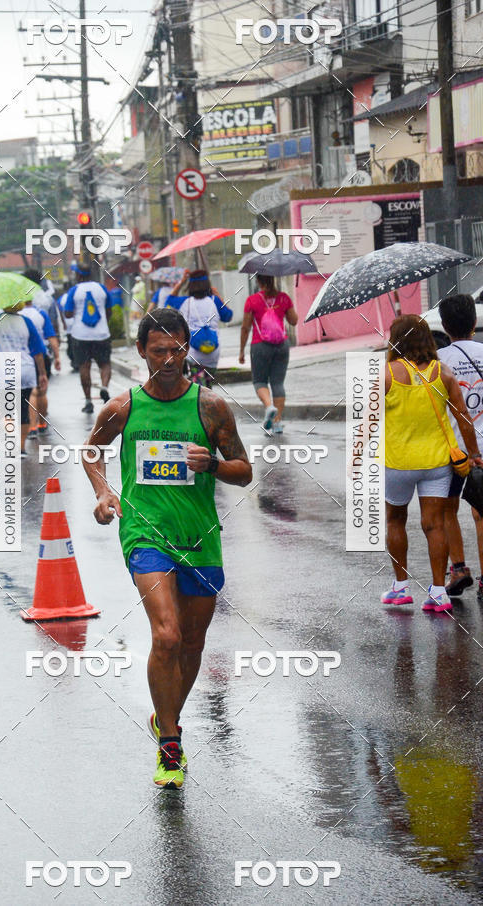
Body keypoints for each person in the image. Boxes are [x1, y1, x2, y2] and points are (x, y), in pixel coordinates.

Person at [82, 308, 252, 789]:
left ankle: (165, 718)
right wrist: (103, 492)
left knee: (193, 643)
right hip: (145, 533)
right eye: (160, 351)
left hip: (200, 536)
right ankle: (171, 743)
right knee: (168, 636)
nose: (171, 360)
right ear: (141, 352)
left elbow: (245, 470)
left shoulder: (211, 407)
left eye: (178, 350)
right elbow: (91, 451)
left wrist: (214, 466)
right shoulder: (123, 409)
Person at [382, 315, 483, 613]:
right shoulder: (444, 373)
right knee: (434, 524)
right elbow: (463, 417)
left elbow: (368, 420)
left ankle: (400, 588)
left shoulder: (384, 375)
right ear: (427, 338)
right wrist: (474, 454)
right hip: (438, 462)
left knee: (395, 520)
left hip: (398, 462)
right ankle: (439, 592)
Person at [437, 294, 483, 598]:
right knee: (482, 514)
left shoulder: (439, 361)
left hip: (454, 449)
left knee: (446, 509)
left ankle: (459, 569)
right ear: (475, 323)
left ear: (444, 326)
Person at [0, 302, 47, 456]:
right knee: (23, 410)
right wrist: (42, 373)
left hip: (4, 369)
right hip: (26, 368)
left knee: (6, 410)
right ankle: (21, 448)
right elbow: (38, 351)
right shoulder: (26, 322)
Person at [239, 274, 298, 433]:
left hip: (260, 346)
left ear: (258, 281)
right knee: (278, 383)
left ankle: (269, 406)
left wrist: (241, 351)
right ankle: (277, 422)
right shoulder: (284, 298)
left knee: (259, 381)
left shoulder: (252, 301)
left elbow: (245, 327)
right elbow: (294, 321)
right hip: (282, 344)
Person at [64, 264, 112, 414]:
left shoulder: (74, 291)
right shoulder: (102, 288)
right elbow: (109, 310)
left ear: (78, 275)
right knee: (104, 364)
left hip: (80, 335)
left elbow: (67, 313)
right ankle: (104, 387)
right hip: (101, 334)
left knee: (84, 367)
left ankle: (88, 401)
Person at [177, 270, 232, 388]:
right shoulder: (214, 300)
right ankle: (207, 403)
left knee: (200, 387)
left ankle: (202, 404)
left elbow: (168, 301)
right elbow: (228, 316)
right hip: (213, 351)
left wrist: (181, 282)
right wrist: (218, 296)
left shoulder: (185, 302)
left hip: (194, 352)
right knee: (207, 386)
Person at [21, 287, 61, 437]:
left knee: (31, 392)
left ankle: (32, 427)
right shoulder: (40, 314)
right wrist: (57, 357)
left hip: (24, 357)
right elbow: (51, 337)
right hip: (42, 355)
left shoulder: (16, 316)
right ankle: (42, 423)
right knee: (42, 390)